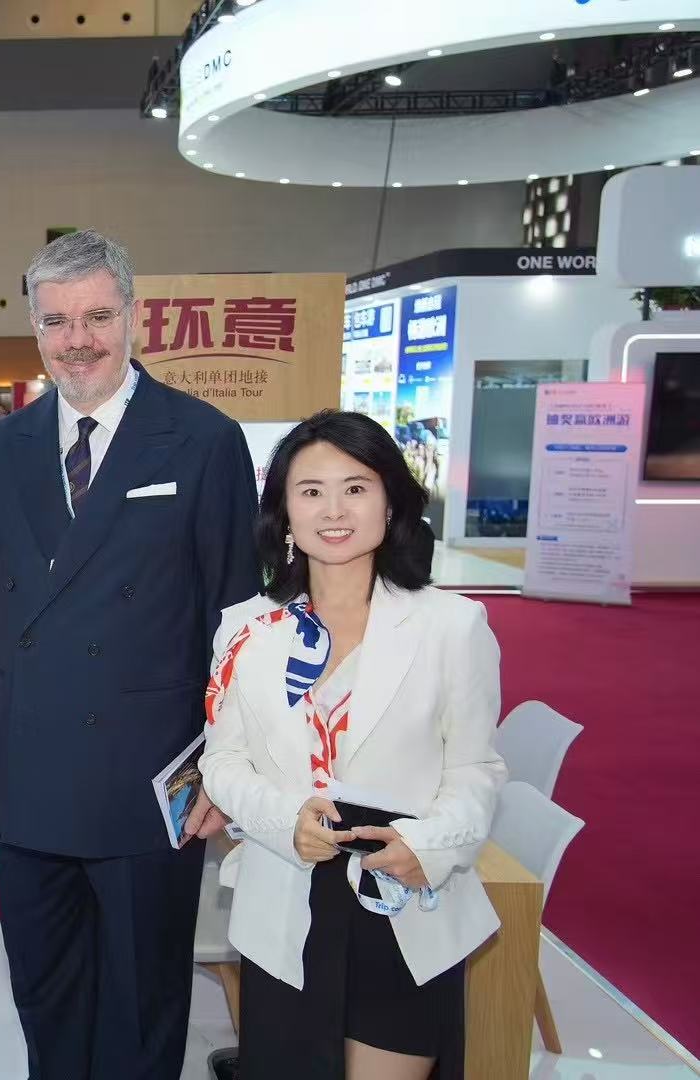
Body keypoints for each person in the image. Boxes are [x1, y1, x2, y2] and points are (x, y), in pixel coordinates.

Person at [0, 229, 261, 1080]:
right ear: (35, 328)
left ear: (133, 316)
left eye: (96, 317)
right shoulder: (10, 443)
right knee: (45, 994)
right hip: (25, 766)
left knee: (141, 1003)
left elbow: (237, 622)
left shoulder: (202, 439)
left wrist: (225, 765)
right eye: (56, 321)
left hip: (147, 775)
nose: (77, 339)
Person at [200, 411, 506, 1080]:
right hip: (287, 894)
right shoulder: (246, 629)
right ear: (283, 511)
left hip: (401, 897)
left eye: (356, 488)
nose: (333, 510)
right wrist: (283, 821)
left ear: (390, 501)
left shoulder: (452, 626)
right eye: (311, 491)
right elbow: (222, 761)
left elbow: (476, 768)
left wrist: (430, 846)